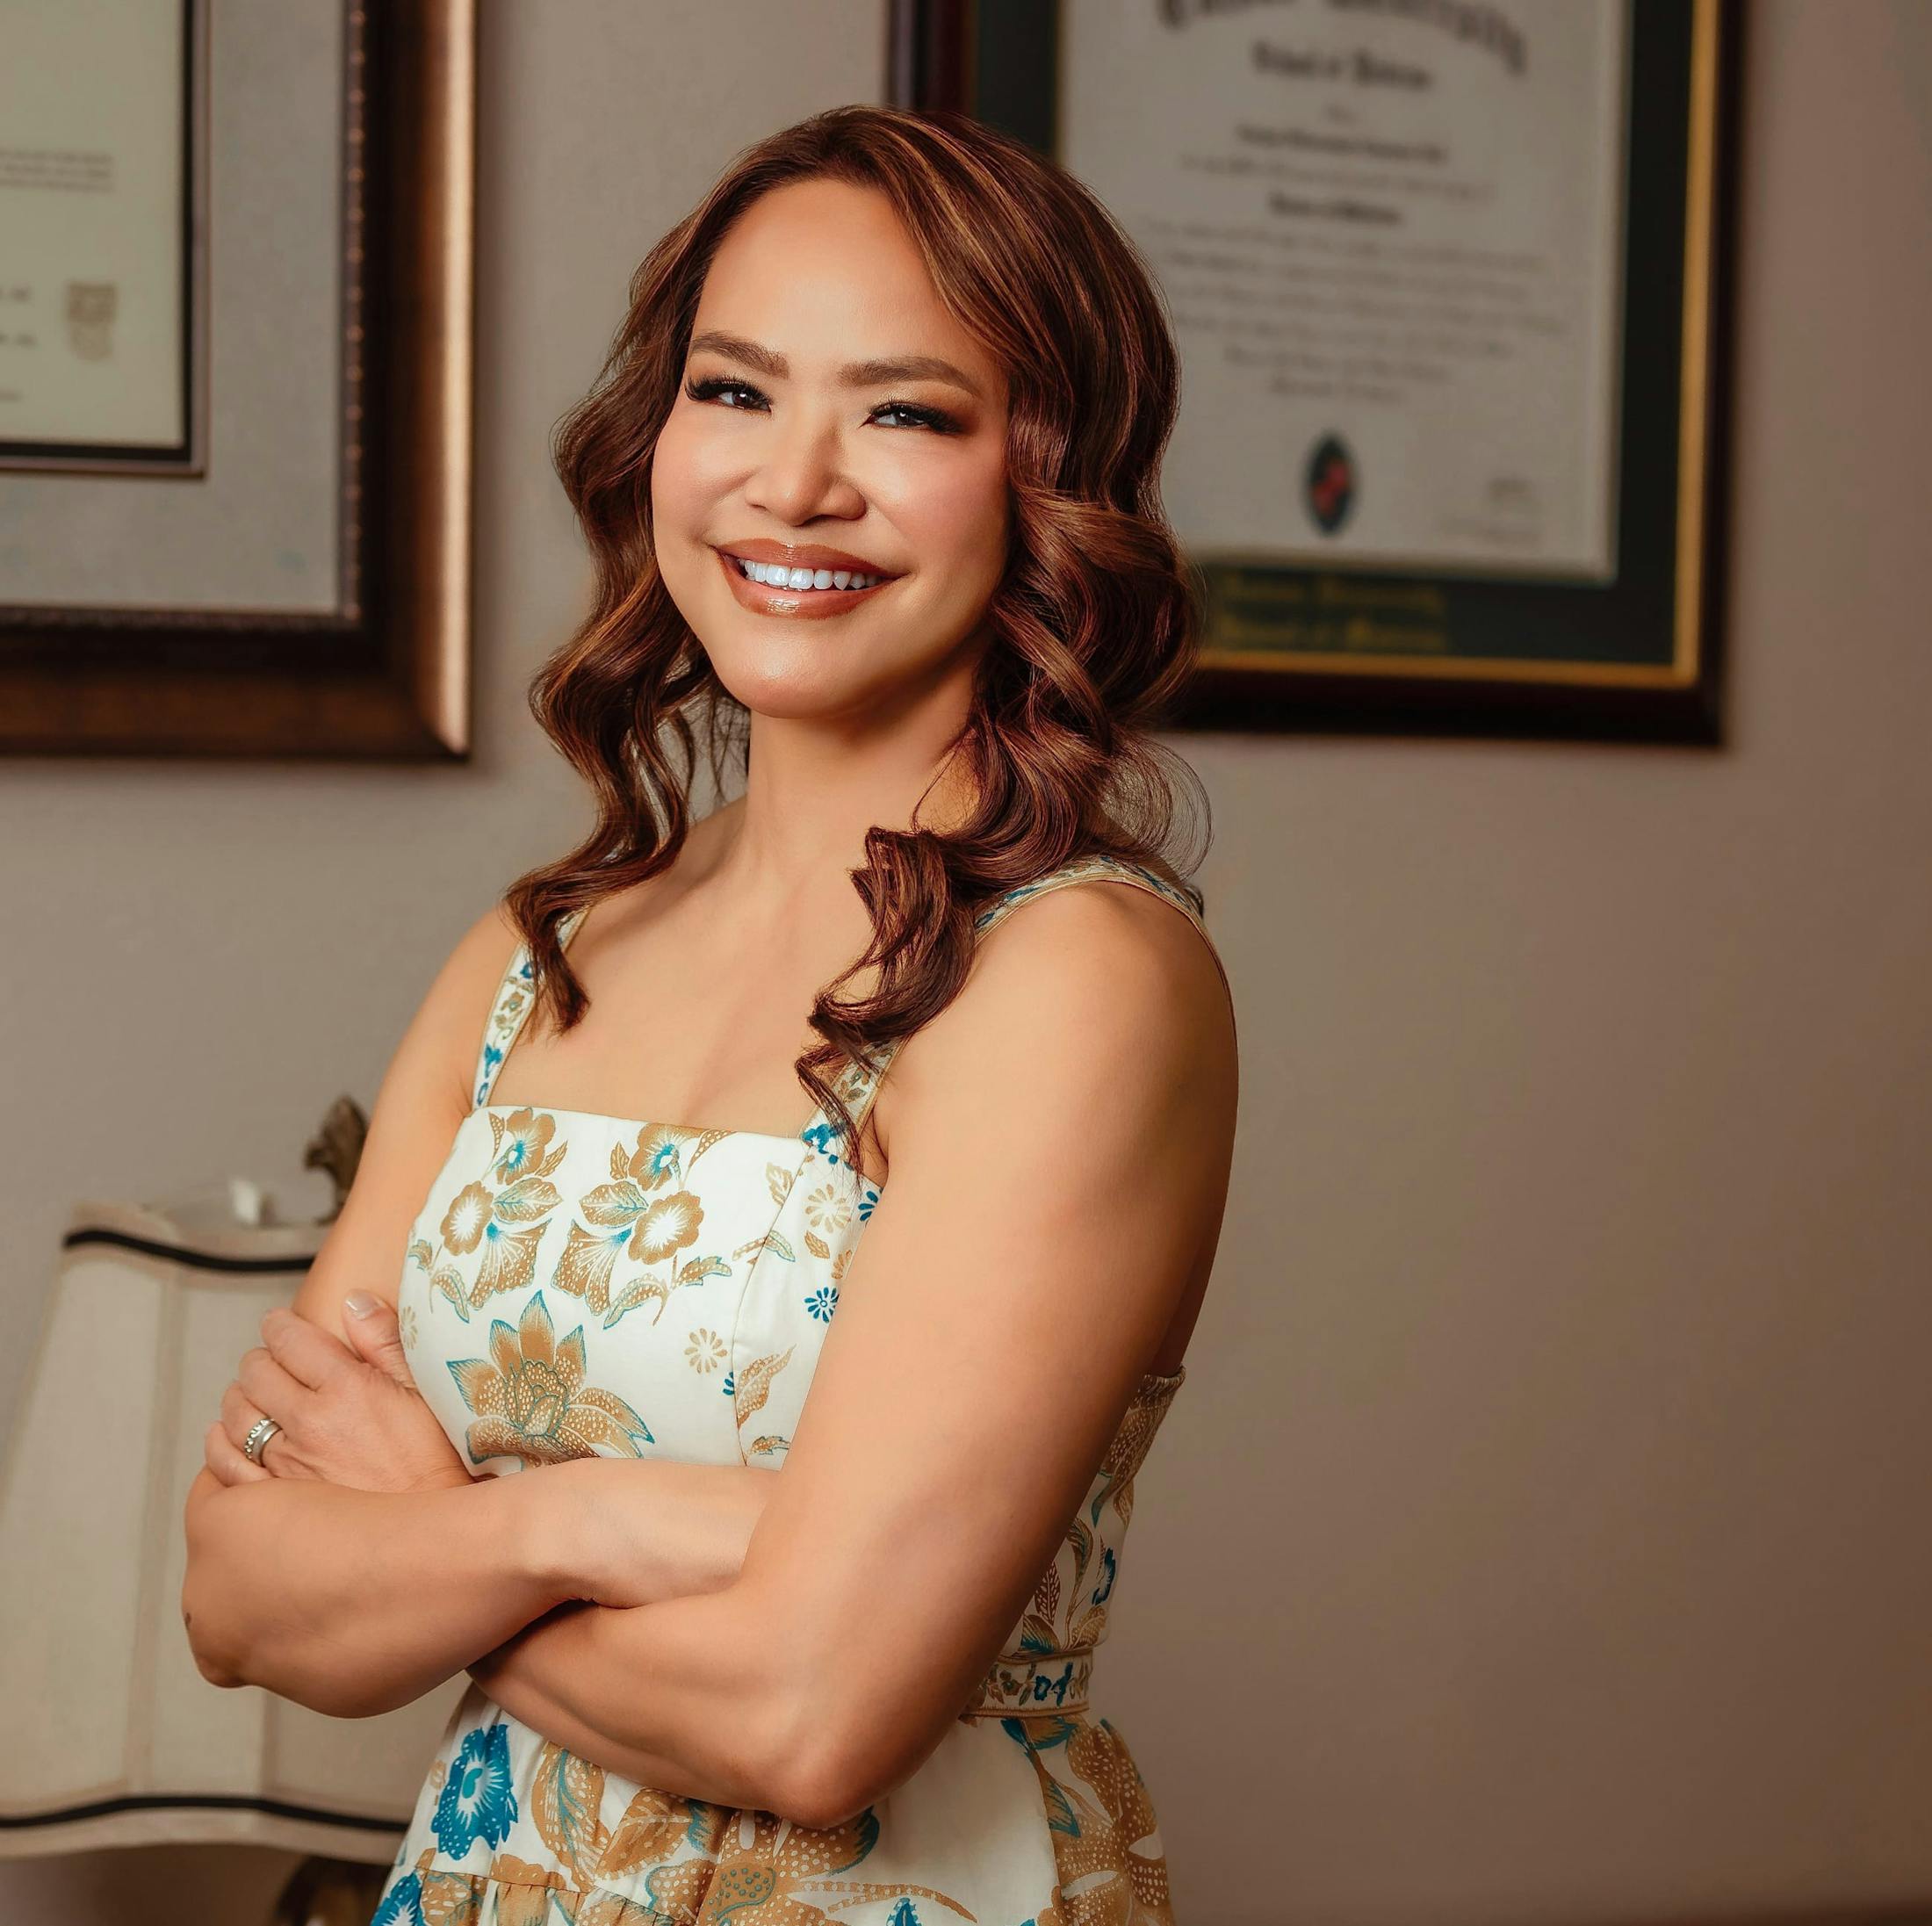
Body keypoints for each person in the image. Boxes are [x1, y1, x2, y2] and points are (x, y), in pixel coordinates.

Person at [181, 102, 1238, 1924]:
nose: (792, 482)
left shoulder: (1081, 977)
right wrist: (568, 1519)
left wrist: (430, 1533)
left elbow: (817, 1712)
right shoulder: (538, 955)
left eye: (904, 412)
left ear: (1042, 474)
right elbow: (239, 1591)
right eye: (734, 391)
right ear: (653, 435)